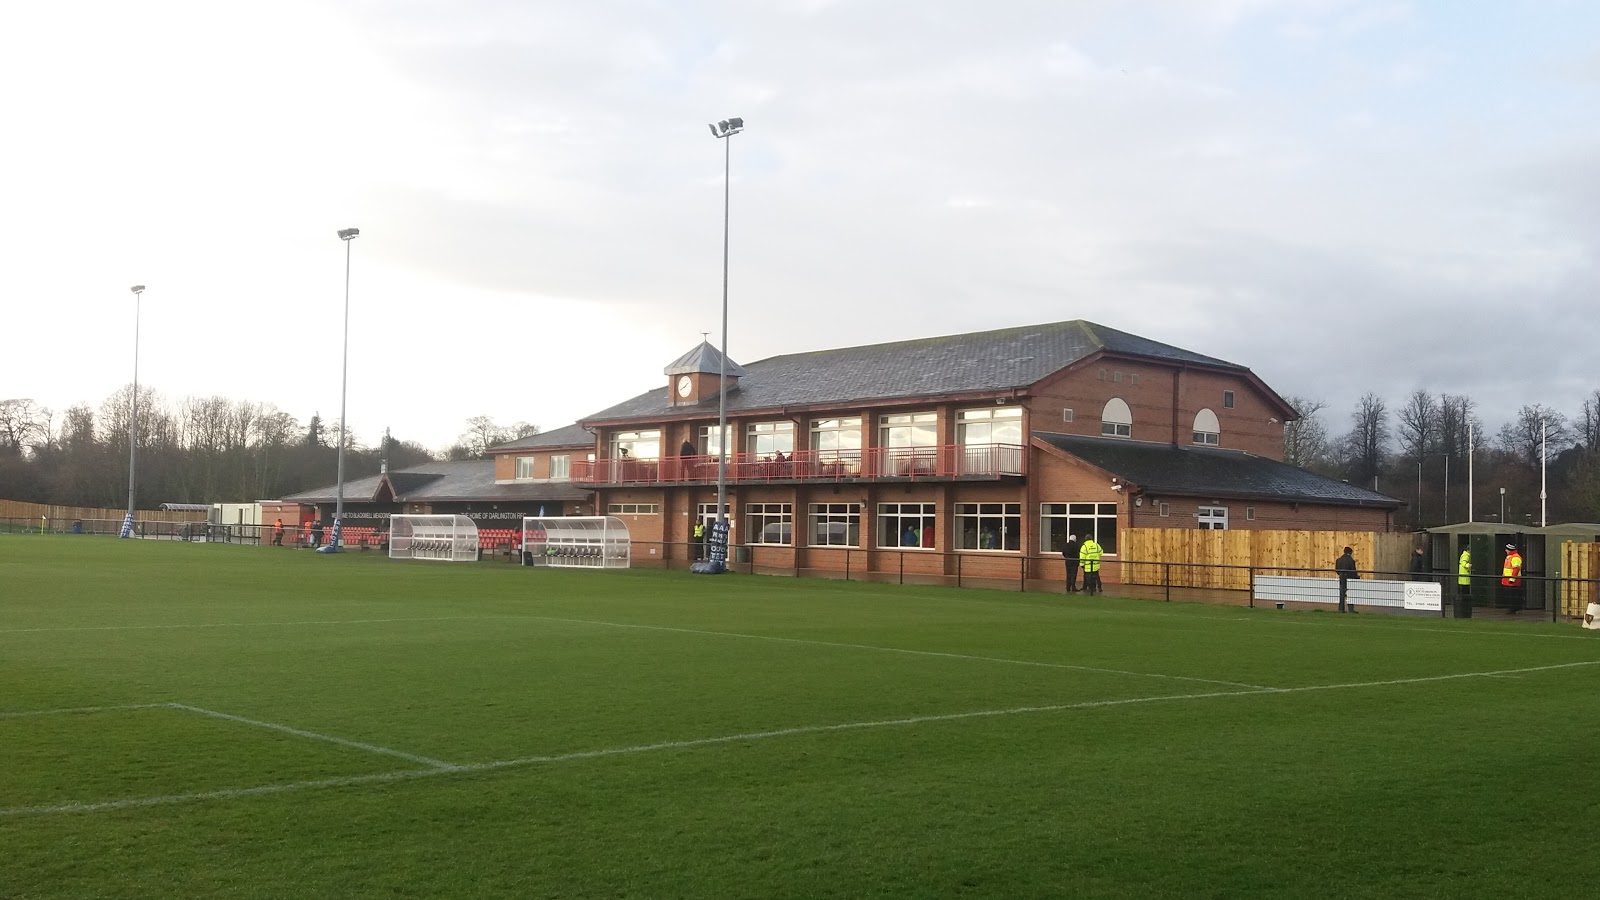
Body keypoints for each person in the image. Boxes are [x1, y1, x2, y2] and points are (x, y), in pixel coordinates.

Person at [1501, 543, 1525, 614]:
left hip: (1512, 581)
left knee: (1512, 596)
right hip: (1507, 580)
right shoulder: (1510, 557)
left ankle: (1513, 609)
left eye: (1506, 549)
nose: (1505, 551)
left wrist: (1512, 579)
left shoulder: (1515, 558)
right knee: (1509, 596)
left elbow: (1516, 569)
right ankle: (1511, 609)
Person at [1334, 546, 1359, 612]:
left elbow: (1336, 569)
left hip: (1342, 578)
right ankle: (1351, 609)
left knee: (1342, 594)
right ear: (1350, 552)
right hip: (1349, 579)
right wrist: (1356, 577)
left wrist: (1340, 574)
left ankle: (1341, 609)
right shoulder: (1351, 560)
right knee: (1351, 594)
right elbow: (1353, 571)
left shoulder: (1339, 560)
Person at [1457, 547, 1473, 614]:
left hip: (1463, 577)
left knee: (1463, 592)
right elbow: (1464, 563)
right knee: (1465, 592)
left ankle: (1464, 605)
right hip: (1465, 577)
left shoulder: (1464, 555)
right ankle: (1465, 606)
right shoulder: (1466, 556)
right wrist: (1469, 565)